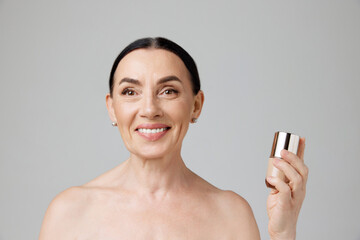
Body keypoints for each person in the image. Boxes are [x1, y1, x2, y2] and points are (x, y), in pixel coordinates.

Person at [39, 37, 308, 240]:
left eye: (168, 91)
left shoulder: (232, 215)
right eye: (130, 92)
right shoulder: (70, 212)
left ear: (196, 105)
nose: (149, 109)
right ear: (112, 107)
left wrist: (284, 233)